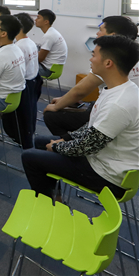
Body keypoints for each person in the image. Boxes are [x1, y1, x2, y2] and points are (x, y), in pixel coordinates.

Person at [22, 35, 139, 200]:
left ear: (108, 63)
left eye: (94, 55)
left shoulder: (118, 104)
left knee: (29, 157)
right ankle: (54, 197)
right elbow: (92, 127)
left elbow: (88, 146)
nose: (90, 59)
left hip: (107, 176)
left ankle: (50, 205)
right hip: (103, 158)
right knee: (41, 142)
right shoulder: (120, 89)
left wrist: (57, 147)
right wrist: (65, 139)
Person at [43, 16, 139, 139]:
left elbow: (81, 90)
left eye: (100, 30)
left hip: (113, 111)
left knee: (51, 116)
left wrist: (57, 106)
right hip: (129, 110)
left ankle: (68, 146)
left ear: (113, 35)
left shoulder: (111, 60)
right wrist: (63, 99)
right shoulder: (132, 53)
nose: (97, 33)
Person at [3, 13, 42, 149]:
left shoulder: (19, 46)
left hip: (24, 86)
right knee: (27, 116)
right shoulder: (29, 42)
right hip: (32, 82)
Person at [35, 9, 68, 77]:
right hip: (54, 68)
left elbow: (40, 59)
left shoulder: (49, 36)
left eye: (38, 18)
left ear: (46, 22)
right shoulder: (53, 32)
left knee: (23, 67)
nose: (35, 20)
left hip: (47, 70)